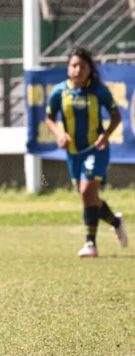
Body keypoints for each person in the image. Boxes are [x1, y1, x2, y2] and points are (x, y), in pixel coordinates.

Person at [45, 46, 128, 258]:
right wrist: (59, 134)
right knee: (89, 198)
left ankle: (90, 244)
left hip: (96, 149)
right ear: (67, 68)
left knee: (86, 191)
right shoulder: (59, 92)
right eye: (73, 65)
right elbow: (49, 118)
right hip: (73, 152)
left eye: (82, 66)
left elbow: (116, 116)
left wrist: (106, 134)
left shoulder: (99, 90)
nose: (77, 70)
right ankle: (116, 222)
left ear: (90, 69)